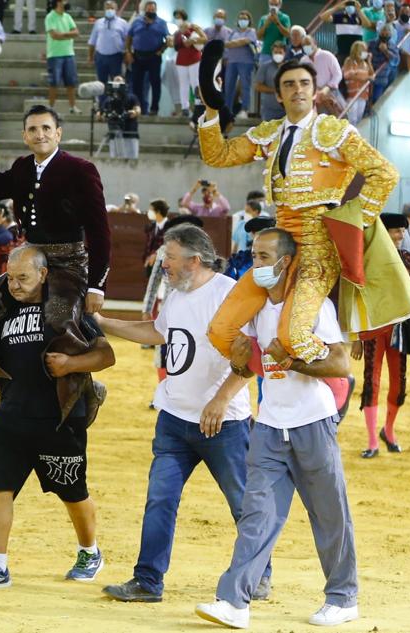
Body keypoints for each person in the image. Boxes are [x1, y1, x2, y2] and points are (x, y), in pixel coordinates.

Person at [98, 224, 272, 604]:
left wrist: (222, 399)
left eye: (170, 258)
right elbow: (156, 332)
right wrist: (104, 323)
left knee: (243, 502)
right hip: (174, 418)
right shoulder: (175, 294)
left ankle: (258, 573)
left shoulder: (229, 293)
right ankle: (147, 580)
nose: (164, 264)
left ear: (195, 260)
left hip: (223, 423)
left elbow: (250, 354)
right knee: (160, 499)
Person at [194, 228, 359, 629]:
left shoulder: (312, 308)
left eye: (265, 257)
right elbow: (249, 365)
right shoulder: (254, 310)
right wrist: (233, 368)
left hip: (312, 422)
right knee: (257, 514)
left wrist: (292, 362)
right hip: (269, 424)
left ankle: (343, 596)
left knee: (328, 513)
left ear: (286, 262)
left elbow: (340, 365)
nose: (257, 264)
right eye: (254, 255)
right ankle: (234, 600)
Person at [197, 59, 401, 366]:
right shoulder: (271, 134)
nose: (298, 90)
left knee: (293, 335)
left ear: (315, 91)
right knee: (220, 329)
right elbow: (217, 154)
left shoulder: (333, 132)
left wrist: (354, 224)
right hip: (276, 249)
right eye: (289, 85)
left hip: (318, 251)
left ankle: (332, 377)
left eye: (304, 83)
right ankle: (270, 370)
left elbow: (385, 174)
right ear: (278, 95)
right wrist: (211, 110)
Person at [0, 245, 116, 589]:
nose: (14, 285)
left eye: (23, 277)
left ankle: (90, 551)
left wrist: (72, 364)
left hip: (57, 419)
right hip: (11, 415)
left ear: (43, 275)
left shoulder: (67, 308)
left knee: (73, 492)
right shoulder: (0, 312)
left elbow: (105, 355)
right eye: (10, 277)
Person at [0, 104, 111, 426]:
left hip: (68, 263)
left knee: (59, 320)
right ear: (25, 136)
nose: (40, 135)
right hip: (30, 259)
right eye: (33, 130)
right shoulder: (23, 167)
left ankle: (85, 387)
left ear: (58, 133)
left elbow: (99, 229)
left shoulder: (81, 169)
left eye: (46, 129)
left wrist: (96, 285)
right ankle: (8, 385)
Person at [352, 213, 410, 458]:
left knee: (398, 383)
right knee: (371, 381)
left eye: (402, 231)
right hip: (373, 328)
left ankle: (388, 431)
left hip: (400, 330)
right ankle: (372, 441)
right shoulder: (367, 259)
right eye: (395, 231)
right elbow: (358, 298)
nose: (400, 235)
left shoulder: (409, 259)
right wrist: (357, 337)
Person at [126, 1, 170, 115]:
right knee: (136, 84)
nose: (150, 11)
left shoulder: (162, 23)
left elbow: (168, 39)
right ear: (145, 10)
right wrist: (128, 52)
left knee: (155, 83)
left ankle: (154, 109)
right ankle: (138, 108)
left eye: (153, 9)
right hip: (138, 56)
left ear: (156, 10)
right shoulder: (137, 22)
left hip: (154, 57)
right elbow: (129, 37)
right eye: (149, 9)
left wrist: (162, 50)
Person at [45, 0, 81, 113]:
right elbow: (54, 35)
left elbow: (76, 32)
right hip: (55, 54)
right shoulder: (50, 17)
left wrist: (63, 35)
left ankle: (72, 107)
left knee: (71, 82)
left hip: (69, 54)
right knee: (54, 83)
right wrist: (69, 35)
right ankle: (51, 107)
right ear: (58, 2)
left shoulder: (68, 16)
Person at [223, 10, 258, 118]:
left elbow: (246, 41)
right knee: (229, 86)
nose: (243, 20)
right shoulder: (233, 32)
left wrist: (235, 43)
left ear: (249, 21)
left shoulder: (251, 31)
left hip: (246, 62)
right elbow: (226, 45)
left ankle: (244, 109)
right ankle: (227, 109)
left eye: (245, 19)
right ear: (238, 21)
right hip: (232, 61)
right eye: (241, 18)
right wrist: (238, 43)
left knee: (245, 86)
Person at [171, 9, 206, 118]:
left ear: (183, 17)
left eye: (179, 17)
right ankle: (185, 108)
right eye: (176, 17)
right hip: (181, 60)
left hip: (194, 59)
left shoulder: (193, 27)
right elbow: (174, 45)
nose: (177, 19)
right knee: (183, 84)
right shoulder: (176, 32)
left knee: (195, 83)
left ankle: (198, 106)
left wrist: (192, 41)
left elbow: (205, 39)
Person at [88, 2, 130, 89]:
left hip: (116, 57)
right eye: (107, 8)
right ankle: (103, 102)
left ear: (116, 10)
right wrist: (90, 56)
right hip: (100, 57)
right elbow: (92, 41)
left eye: (111, 8)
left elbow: (127, 40)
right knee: (101, 83)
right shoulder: (98, 23)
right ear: (104, 10)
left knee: (117, 82)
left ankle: (117, 102)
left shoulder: (123, 23)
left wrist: (127, 53)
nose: (109, 10)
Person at [300, 36, 345, 115]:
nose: (306, 47)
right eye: (304, 45)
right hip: (314, 95)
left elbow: (338, 74)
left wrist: (327, 88)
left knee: (340, 117)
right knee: (321, 120)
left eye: (308, 44)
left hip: (331, 91)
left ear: (315, 43)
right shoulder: (303, 61)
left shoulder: (327, 55)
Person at [255, 41, 287, 121]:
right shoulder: (265, 67)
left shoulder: (289, 68)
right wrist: (276, 90)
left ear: (285, 53)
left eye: (280, 52)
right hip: (269, 111)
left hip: (287, 110)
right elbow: (258, 86)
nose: (278, 54)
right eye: (275, 52)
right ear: (272, 53)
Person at [342, 40, 372, 123]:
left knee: (359, 119)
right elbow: (348, 75)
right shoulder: (349, 61)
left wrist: (369, 62)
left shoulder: (365, 64)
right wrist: (364, 77)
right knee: (352, 119)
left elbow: (371, 76)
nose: (365, 53)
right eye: (363, 50)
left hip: (363, 95)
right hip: (352, 96)